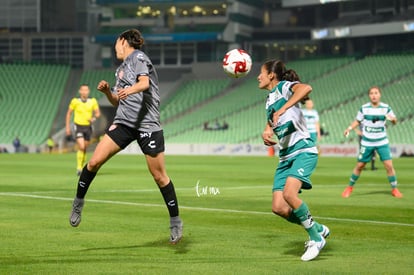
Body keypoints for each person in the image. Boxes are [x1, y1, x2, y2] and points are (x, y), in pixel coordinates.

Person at [68, 29, 183, 244]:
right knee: (93, 162)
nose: (114, 48)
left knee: (159, 176)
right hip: (123, 123)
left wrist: (127, 91)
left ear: (123, 41)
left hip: (147, 124)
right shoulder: (121, 69)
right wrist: (106, 93)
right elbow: (117, 101)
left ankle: (175, 221)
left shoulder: (138, 57)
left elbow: (144, 83)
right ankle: (78, 202)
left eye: (116, 43)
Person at [258, 60, 329, 262]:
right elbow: (273, 117)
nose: (258, 76)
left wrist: (283, 109)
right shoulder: (269, 99)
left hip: (303, 151)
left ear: (272, 75)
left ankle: (316, 239)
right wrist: (267, 129)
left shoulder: (284, 87)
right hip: (285, 156)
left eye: (261, 73)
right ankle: (317, 228)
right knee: (278, 208)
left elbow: (306, 88)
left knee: (289, 194)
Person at [342, 86, 402, 198]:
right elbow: (357, 120)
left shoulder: (386, 108)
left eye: (376, 93)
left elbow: (394, 120)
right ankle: (349, 187)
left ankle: (394, 189)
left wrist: (392, 119)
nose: (374, 95)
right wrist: (349, 128)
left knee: (389, 165)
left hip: (382, 141)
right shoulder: (364, 108)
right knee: (360, 165)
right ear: (369, 96)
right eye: (371, 93)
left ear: (380, 95)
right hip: (367, 142)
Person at [65, 84, 101, 175]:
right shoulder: (75, 101)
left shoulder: (93, 101)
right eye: (83, 90)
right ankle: (79, 168)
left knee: (84, 148)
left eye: (86, 90)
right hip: (78, 126)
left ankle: (82, 165)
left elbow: (97, 114)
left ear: (88, 91)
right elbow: (69, 114)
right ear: (80, 91)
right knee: (81, 146)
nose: (85, 92)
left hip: (88, 127)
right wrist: (67, 128)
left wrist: (93, 118)